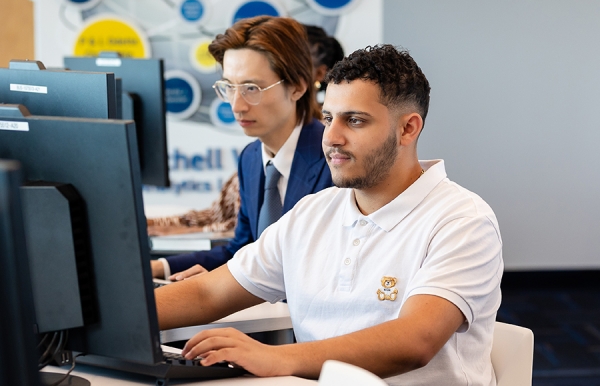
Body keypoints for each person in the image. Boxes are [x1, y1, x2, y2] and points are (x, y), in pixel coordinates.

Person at [155, 44, 503, 385]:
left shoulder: (463, 221)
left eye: (354, 120)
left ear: (408, 129)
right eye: (327, 118)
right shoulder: (313, 212)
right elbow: (208, 294)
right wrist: (108, 314)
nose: (331, 137)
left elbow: (414, 341)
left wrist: (274, 358)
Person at [151, 16, 334, 280]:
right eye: (229, 87)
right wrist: (161, 268)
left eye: (252, 88)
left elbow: (324, 269)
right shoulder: (251, 158)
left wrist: (223, 288)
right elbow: (242, 252)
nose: (236, 105)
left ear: (297, 87)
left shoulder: (333, 158)